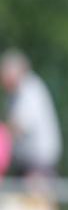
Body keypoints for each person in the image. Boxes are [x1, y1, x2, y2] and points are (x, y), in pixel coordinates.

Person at [0, 49, 62, 177]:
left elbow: (20, 126)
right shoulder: (16, 92)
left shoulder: (28, 89)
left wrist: (3, 134)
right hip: (28, 162)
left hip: (38, 163)